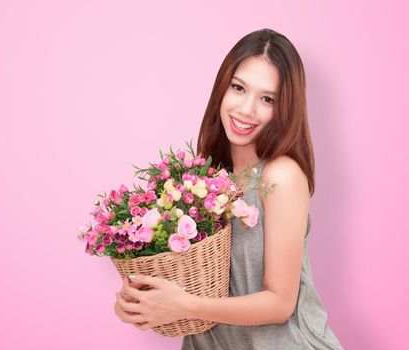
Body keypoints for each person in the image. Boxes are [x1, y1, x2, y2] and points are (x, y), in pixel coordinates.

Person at [113, 28, 344, 349]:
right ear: (222, 89)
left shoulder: (281, 175)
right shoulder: (204, 180)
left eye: (267, 99)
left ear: (284, 109)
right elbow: (190, 279)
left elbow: (280, 303)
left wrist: (185, 305)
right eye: (238, 88)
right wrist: (140, 303)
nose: (246, 109)